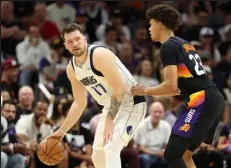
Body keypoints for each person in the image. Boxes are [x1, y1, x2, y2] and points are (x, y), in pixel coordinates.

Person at [131, 4, 225, 168]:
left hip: (203, 99)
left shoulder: (168, 46)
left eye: (151, 24)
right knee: (185, 155)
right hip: (214, 98)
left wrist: (144, 89)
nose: (149, 28)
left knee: (172, 153)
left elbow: (171, 87)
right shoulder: (184, 44)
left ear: (160, 23)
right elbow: (180, 85)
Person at [46, 23, 147, 168]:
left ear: (85, 39)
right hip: (110, 107)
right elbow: (79, 103)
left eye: (77, 39)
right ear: (65, 45)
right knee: (98, 155)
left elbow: (119, 90)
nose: (75, 44)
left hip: (131, 103)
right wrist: (61, 131)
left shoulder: (99, 55)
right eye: (70, 41)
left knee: (111, 147)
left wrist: (109, 119)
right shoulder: (71, 69)